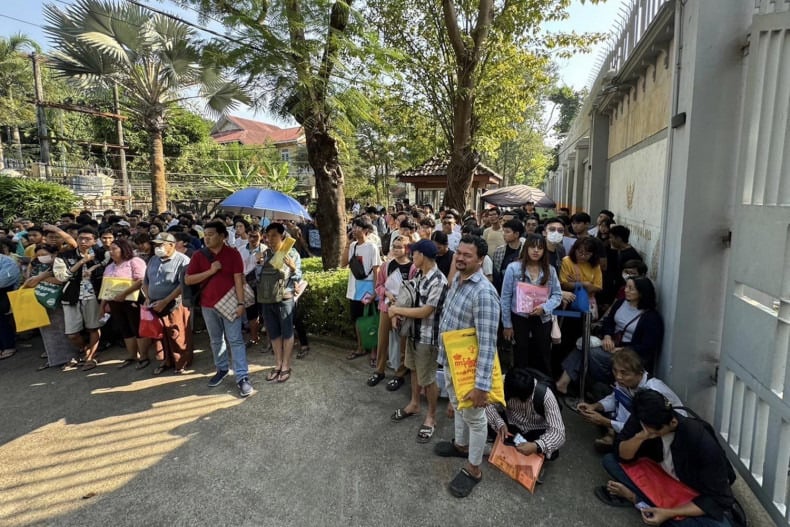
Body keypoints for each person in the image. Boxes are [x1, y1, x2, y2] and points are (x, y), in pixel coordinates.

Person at [595, 389, 739, 527]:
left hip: (692, 492)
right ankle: (650, 507)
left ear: (673, 422)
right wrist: (641, 436)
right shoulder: (643, 417)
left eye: (656, 432)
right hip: (661, 477)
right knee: (610, 461)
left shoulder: (698, 438)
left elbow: (719, 498)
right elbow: (622, 455)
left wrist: (669, 513)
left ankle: (637, 500)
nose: (650, 434)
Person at [433, 235, 500, 498]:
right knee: (459, 407)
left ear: (481, 260)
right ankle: (460, 446)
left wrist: (482, 386)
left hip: (471, 371)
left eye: (467, 255)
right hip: (453, 362)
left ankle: (474, 469)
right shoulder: (459, 281)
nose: (460, 258)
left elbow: (487, 344)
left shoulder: (483, 293)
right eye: (458, 253)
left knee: (475, 417)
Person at [558, 276, 663, 392]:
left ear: (642, 292)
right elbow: (609, 322)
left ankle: (565, 382)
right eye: (626, 287)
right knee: (582, 344)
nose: (626, 291)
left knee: (587, 350)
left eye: (631, 288)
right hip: (610, 344)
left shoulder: (651, 317)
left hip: (629, 355)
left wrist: (622, 350)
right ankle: (565, 383)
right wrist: (607, 336)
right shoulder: (620, 303)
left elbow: (648, 346)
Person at [388, 239, 448, 444]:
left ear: (422, 255)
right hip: (413, 334)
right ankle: (414, 404)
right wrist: (396, 310)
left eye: (414, 254)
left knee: (428, 378)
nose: (412, 257)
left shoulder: (439, 280)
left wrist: (397, 310)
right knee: (413, 369)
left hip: (428, 338)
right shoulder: (420, 275)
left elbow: (426, 311)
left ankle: (431, 416)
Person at [185, 220, 253, 397]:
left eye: (211, 235)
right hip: (208, 305)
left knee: (235, 339)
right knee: (215, 340)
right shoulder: (199, 255)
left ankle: (242, 377)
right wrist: (210, 271)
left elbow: (238, 279)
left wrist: (241, 304)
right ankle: (221, 369)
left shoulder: (233, 254)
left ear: (223, 236)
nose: (206, 238)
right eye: (205, 235)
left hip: (230, 304)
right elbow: (188, 280)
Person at [577, 348, 682, 452]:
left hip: (655, 431)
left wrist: (605, 422)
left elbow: (642, 427)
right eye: (615, 370)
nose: (618, 377)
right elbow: (615, 397)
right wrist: (594, 406)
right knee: (599, 388)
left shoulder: (651, 393)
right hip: (629, 418)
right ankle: (613, 432)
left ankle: (613, 435)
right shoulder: (625, 381)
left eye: (624, 373)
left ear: (639, 373)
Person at [501, 234, 563, 374]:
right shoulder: (513, 268)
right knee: (521, 354)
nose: (536, 251)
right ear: (526, 248)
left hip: (542, 319)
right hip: (519, 318)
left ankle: (544, 388)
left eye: (540, 248)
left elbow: (557, 295)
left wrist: (544, 307)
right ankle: (520, 389)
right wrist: (507, 324)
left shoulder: (550, 270)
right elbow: (505, 297)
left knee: (542, 355)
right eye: (532, 247)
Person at [53, 227, 106, 371]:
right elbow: (61, 277)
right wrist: (81, 262)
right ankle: (85, 349)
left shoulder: (101, 255)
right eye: (80, 238)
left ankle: (91, 356)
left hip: (92, 295)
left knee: (93, 327)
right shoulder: (64, 256)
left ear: (95, 241)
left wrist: (94, 266)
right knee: (72, 333)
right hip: (71, 296)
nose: (83, 241)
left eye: (87, 239)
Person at [486, 367, 565, 459]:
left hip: (535, 429)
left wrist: (536, 446)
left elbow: (559, 432)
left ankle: (514, 445)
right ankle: (508, 442)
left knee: (552, 452)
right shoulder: (501, 383)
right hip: (511, 424)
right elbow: (487, 403)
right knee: (483, 419)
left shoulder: (545, 395)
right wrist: (499, 423)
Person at [143, 232, 193, 374]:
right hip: (154, 304)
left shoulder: (182, 260)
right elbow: (146, 280)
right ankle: (166, 361)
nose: (157, 248)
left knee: (177, 334)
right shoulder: (153, 259)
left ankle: (181, 363)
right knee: (160, 336)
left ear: (171, 245)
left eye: (161, 245)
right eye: (156, 245)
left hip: (174, 304)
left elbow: (181, 285)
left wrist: (165, 301)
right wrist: (148, 297)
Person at [259, 222, 302, 383]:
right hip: (267, 298)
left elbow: (298, 277)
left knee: (287, 332)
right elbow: (259, 277)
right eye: (268, 236)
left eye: (274, 236)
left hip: (284, 298)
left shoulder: (292, 253)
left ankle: (286, 365)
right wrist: (259, 263)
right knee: (274, 333)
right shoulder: (265, 253)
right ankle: (277, 364)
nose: (270, 239)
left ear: (282, 236)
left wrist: (292, 268)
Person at [368, 235, 413, 387]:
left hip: (404, 310)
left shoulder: (413, 268)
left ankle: (399, 374)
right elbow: (379, 285)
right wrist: (386, 293)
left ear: (407, 249)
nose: (396, 249)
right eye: (394, 246)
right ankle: (379, 371)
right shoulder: (387, 266)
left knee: (402, 342)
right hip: (386, 307)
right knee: (382, 341)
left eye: (400, 246)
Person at [101, 238, 148, 370]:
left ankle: (143, 356)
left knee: (137, 327)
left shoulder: (134, 261)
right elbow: (106, 287)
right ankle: (132, 355)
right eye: (110, 249)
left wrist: (124, 294)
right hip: (115, 302)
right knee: (125, 329)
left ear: (123, 249)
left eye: (114, 248)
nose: (111, 251)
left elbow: (141, 280)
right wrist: (103, 305)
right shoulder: (109, 267)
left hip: (133, 300)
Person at [342, 217, 382, 360]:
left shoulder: (372, 247)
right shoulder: (353, 246)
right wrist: (347, 243)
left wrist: (375, 291)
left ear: (366, 230)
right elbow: (343, 263)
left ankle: (373, 351)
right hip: (355, 289)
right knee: (358, 321)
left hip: (368, 289)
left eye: (358, 227)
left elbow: (376, 270)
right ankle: (360, 347)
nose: (354, 229)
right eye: (353, 226)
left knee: (371, 321)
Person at [491, 219, 525, 293]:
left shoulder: (525, 251)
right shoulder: (499, 251)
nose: (504, 234)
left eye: (507, 232)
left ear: (516, 234)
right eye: (503, 231)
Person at [0, 252, 21, 360]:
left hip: (2, 295)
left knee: (2, 322)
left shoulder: (5, 260)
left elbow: (4, 279)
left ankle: (8, 346)